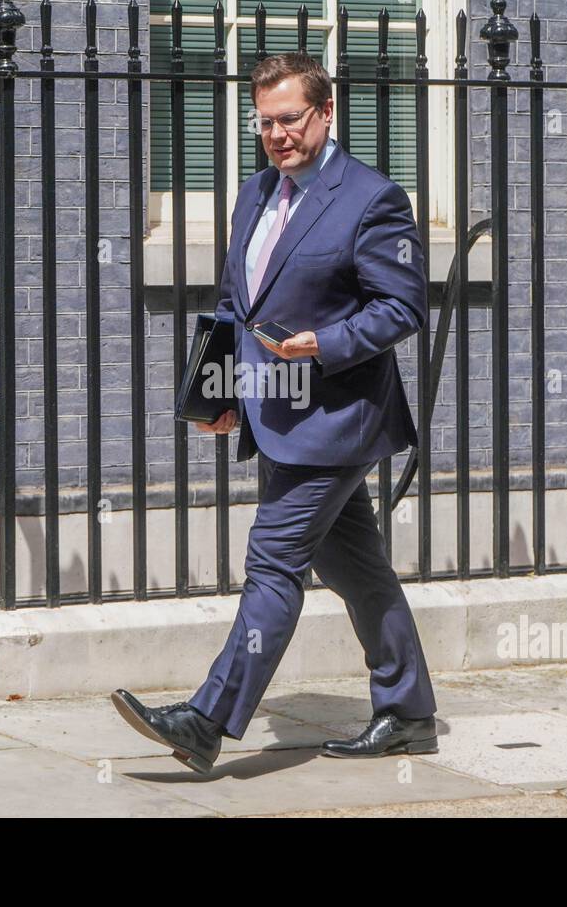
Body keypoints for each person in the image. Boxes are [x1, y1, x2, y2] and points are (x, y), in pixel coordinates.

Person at [112, 52, 437, 774]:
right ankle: (409, 711)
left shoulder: (372, 198)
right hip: (273, 415)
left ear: (325, 113)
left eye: (290, 119)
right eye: (264, 123)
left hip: (337, 421)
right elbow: (235, 305)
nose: (277, 135)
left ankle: (208, 719)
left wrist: (326, 344)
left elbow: (403, 305)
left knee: (272, 561)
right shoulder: (256, 193)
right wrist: (219, 392)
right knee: (357, 569)